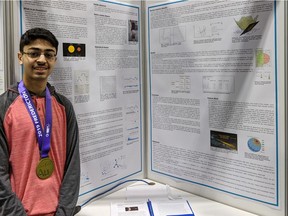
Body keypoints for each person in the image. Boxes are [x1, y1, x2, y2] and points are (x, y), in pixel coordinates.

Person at [0, 28, 80, 215]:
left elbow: (72, 165)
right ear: (21, 57)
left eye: (49, 54)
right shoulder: (4, 107)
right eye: (34, 53)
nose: (42, 60)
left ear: (54, 60)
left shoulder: (64, 106)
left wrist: (63, 212)